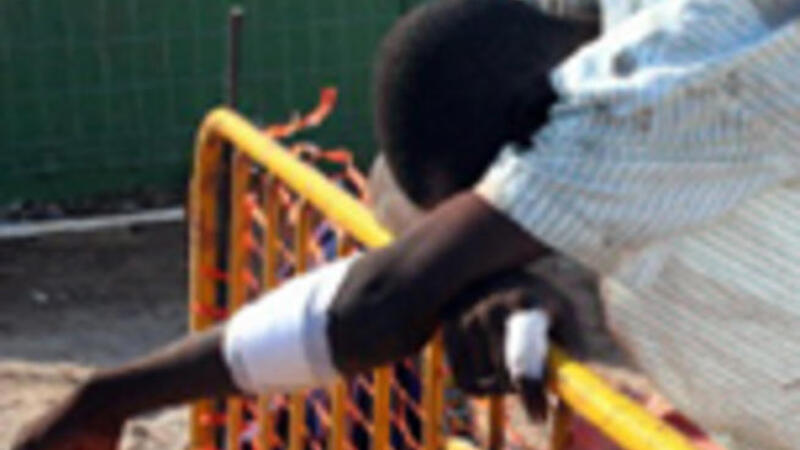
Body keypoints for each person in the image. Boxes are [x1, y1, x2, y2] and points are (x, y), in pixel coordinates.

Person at [12, 2, 595, 449]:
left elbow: (383, 299)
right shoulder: (567, 81)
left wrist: (111, 399)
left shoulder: (629, 114)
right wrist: (468, 270)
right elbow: (396, 211)